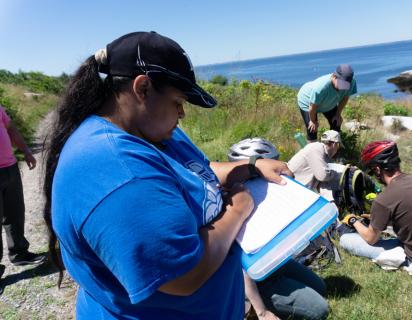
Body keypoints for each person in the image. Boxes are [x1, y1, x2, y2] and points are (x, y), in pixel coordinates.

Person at [42, 31, 292, 319]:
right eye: (177, 102)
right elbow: (184, 275)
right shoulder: (118, 172)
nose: (182, 113)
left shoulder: (150, 130)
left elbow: (195, 171)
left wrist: (251, 166)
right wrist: (237, 211)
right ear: (143, 88)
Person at [227, 139, 329, 320]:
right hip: (253, 279)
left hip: (275, 262)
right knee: (320, 310)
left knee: (320, 287)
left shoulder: (270, 194)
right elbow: (241, 266)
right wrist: (262, 312)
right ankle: (249, 301)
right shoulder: (234, 206)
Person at [339, 140, 412, 277]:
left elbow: (371, 239)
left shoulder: (383, 199)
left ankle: (408, 262)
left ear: (377, 169)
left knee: (346, 240)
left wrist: (353, 220)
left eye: (371, 172)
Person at [0, 104, 46, 283]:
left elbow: (11, 129)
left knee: (15, 214)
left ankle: (19, 253)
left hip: (10, 167)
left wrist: (26, 151)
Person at [297, 64, 357, 142]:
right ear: (334, 76)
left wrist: (338, 114)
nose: (343, 87)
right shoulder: (321, 87)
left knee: (336, 123)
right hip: (307, 101)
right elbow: (312, 106)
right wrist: (312, 121)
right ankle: (313, 149)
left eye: (346, 84)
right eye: (341, 83)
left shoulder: (351, 83)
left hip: (327, 102)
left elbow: (345, 99)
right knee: (312, 128)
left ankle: (332, 147)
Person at [287, 130, 343, 201]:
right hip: (291, 187)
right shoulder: (317, 148)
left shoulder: (320, 151)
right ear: (335, 144)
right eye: (338, 147)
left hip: (297, 187)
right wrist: (338, 175)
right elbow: (323, 176)